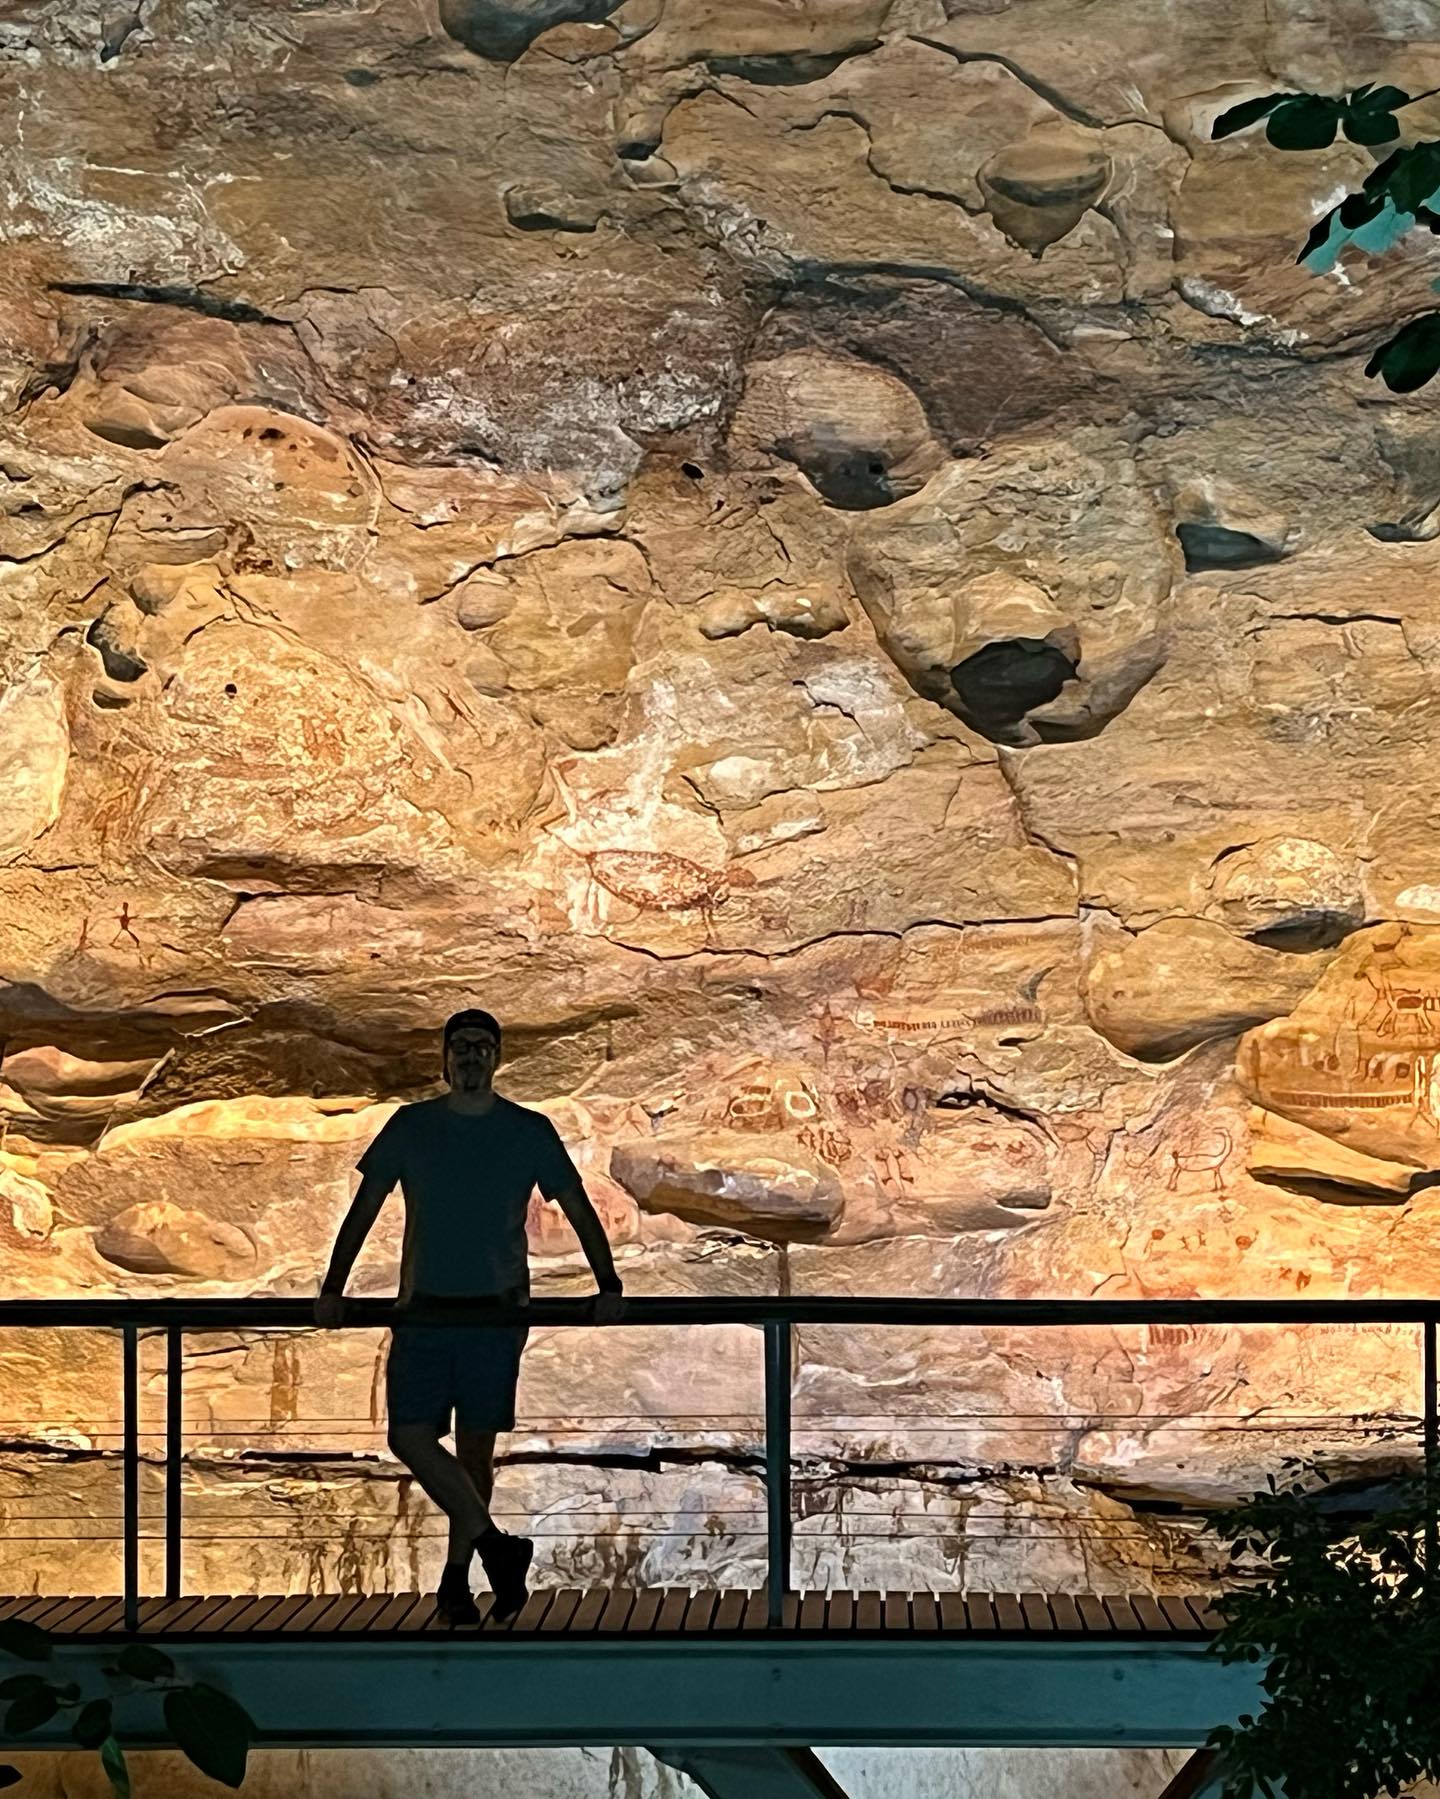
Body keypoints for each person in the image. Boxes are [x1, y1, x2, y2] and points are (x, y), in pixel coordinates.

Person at [315, 1008, 625, 1626]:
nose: (471, 1056)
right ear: (445, 1057)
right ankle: (495, 1547)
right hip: (425, 1310)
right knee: (409, 1435)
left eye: (483, 1046)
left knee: (476, 1451)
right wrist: (332, 1286)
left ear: (497, 1056)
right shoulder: (411, 1127)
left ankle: (457, 1582)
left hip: (495, 1311)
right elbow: (364, 1208)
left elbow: (580, 1206)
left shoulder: (528, 1131)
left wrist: (608, 1281)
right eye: (462, 1046)